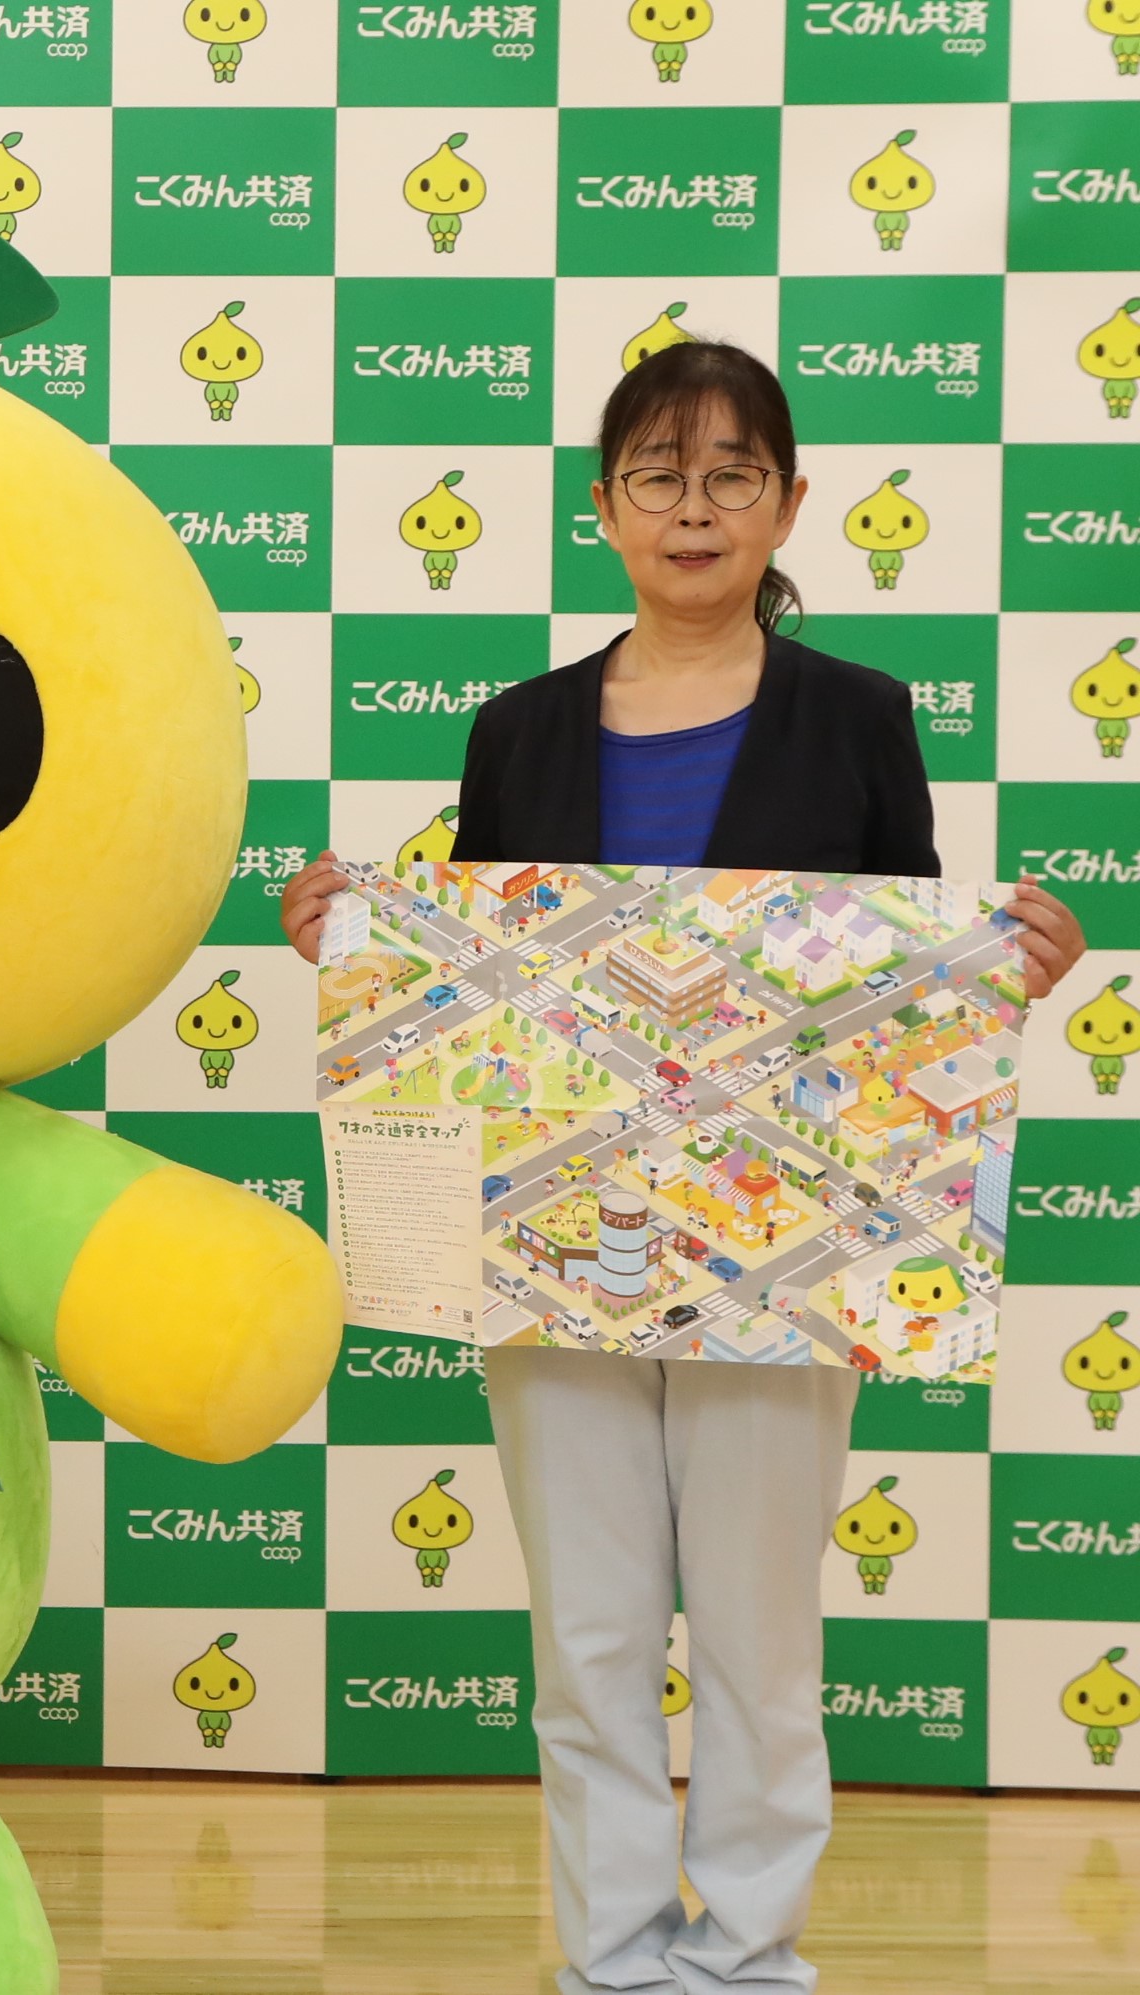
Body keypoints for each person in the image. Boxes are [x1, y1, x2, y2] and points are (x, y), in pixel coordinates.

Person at [280, 339, 1084, 1995]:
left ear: (790, 504)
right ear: (605, 506)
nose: (695, 508)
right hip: (550, 1237)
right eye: (659, 474)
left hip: (786, 1250)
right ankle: (613, 1959)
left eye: (732, 475)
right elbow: (476, 989)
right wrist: (357, 947)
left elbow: (902, 977)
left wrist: (1006, 970)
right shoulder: (516, 731)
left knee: (757, 1632)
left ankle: (748, 1959)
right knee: (586, 1634)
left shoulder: (860, 717)